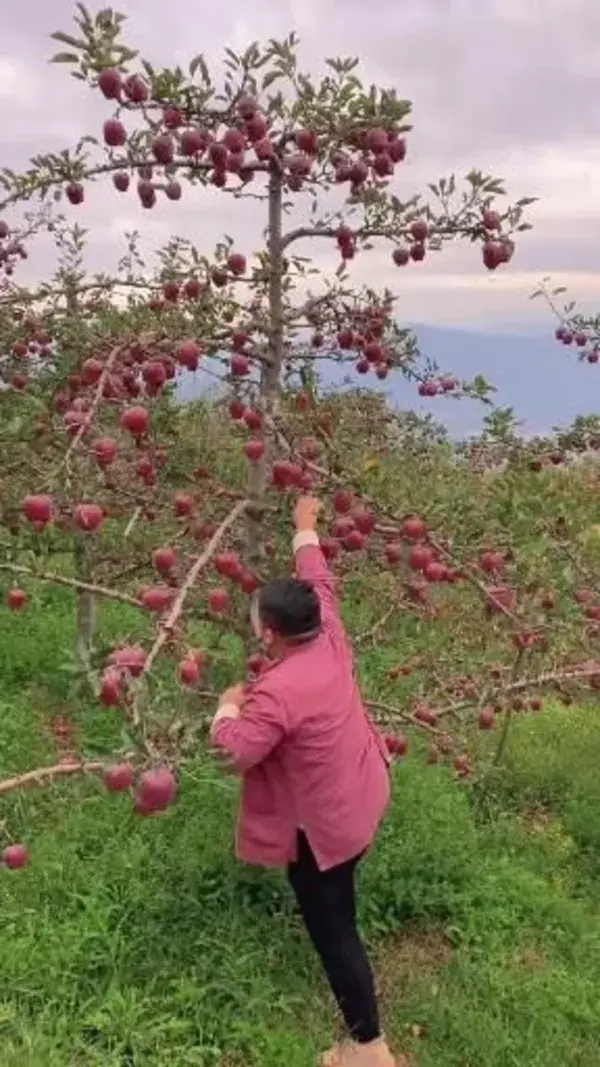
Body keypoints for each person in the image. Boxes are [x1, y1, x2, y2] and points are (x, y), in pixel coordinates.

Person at [210, 495, 396, 1067]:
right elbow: (319, 577)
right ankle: (364, 1037)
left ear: (268, 634)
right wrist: (305, 528)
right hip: (360, 793)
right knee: (342, 904)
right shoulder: (330, 633)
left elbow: (234, 755)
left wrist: (225, 708)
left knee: (333, 929)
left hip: (324, 829)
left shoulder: (278, 692)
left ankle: (367, 1047)